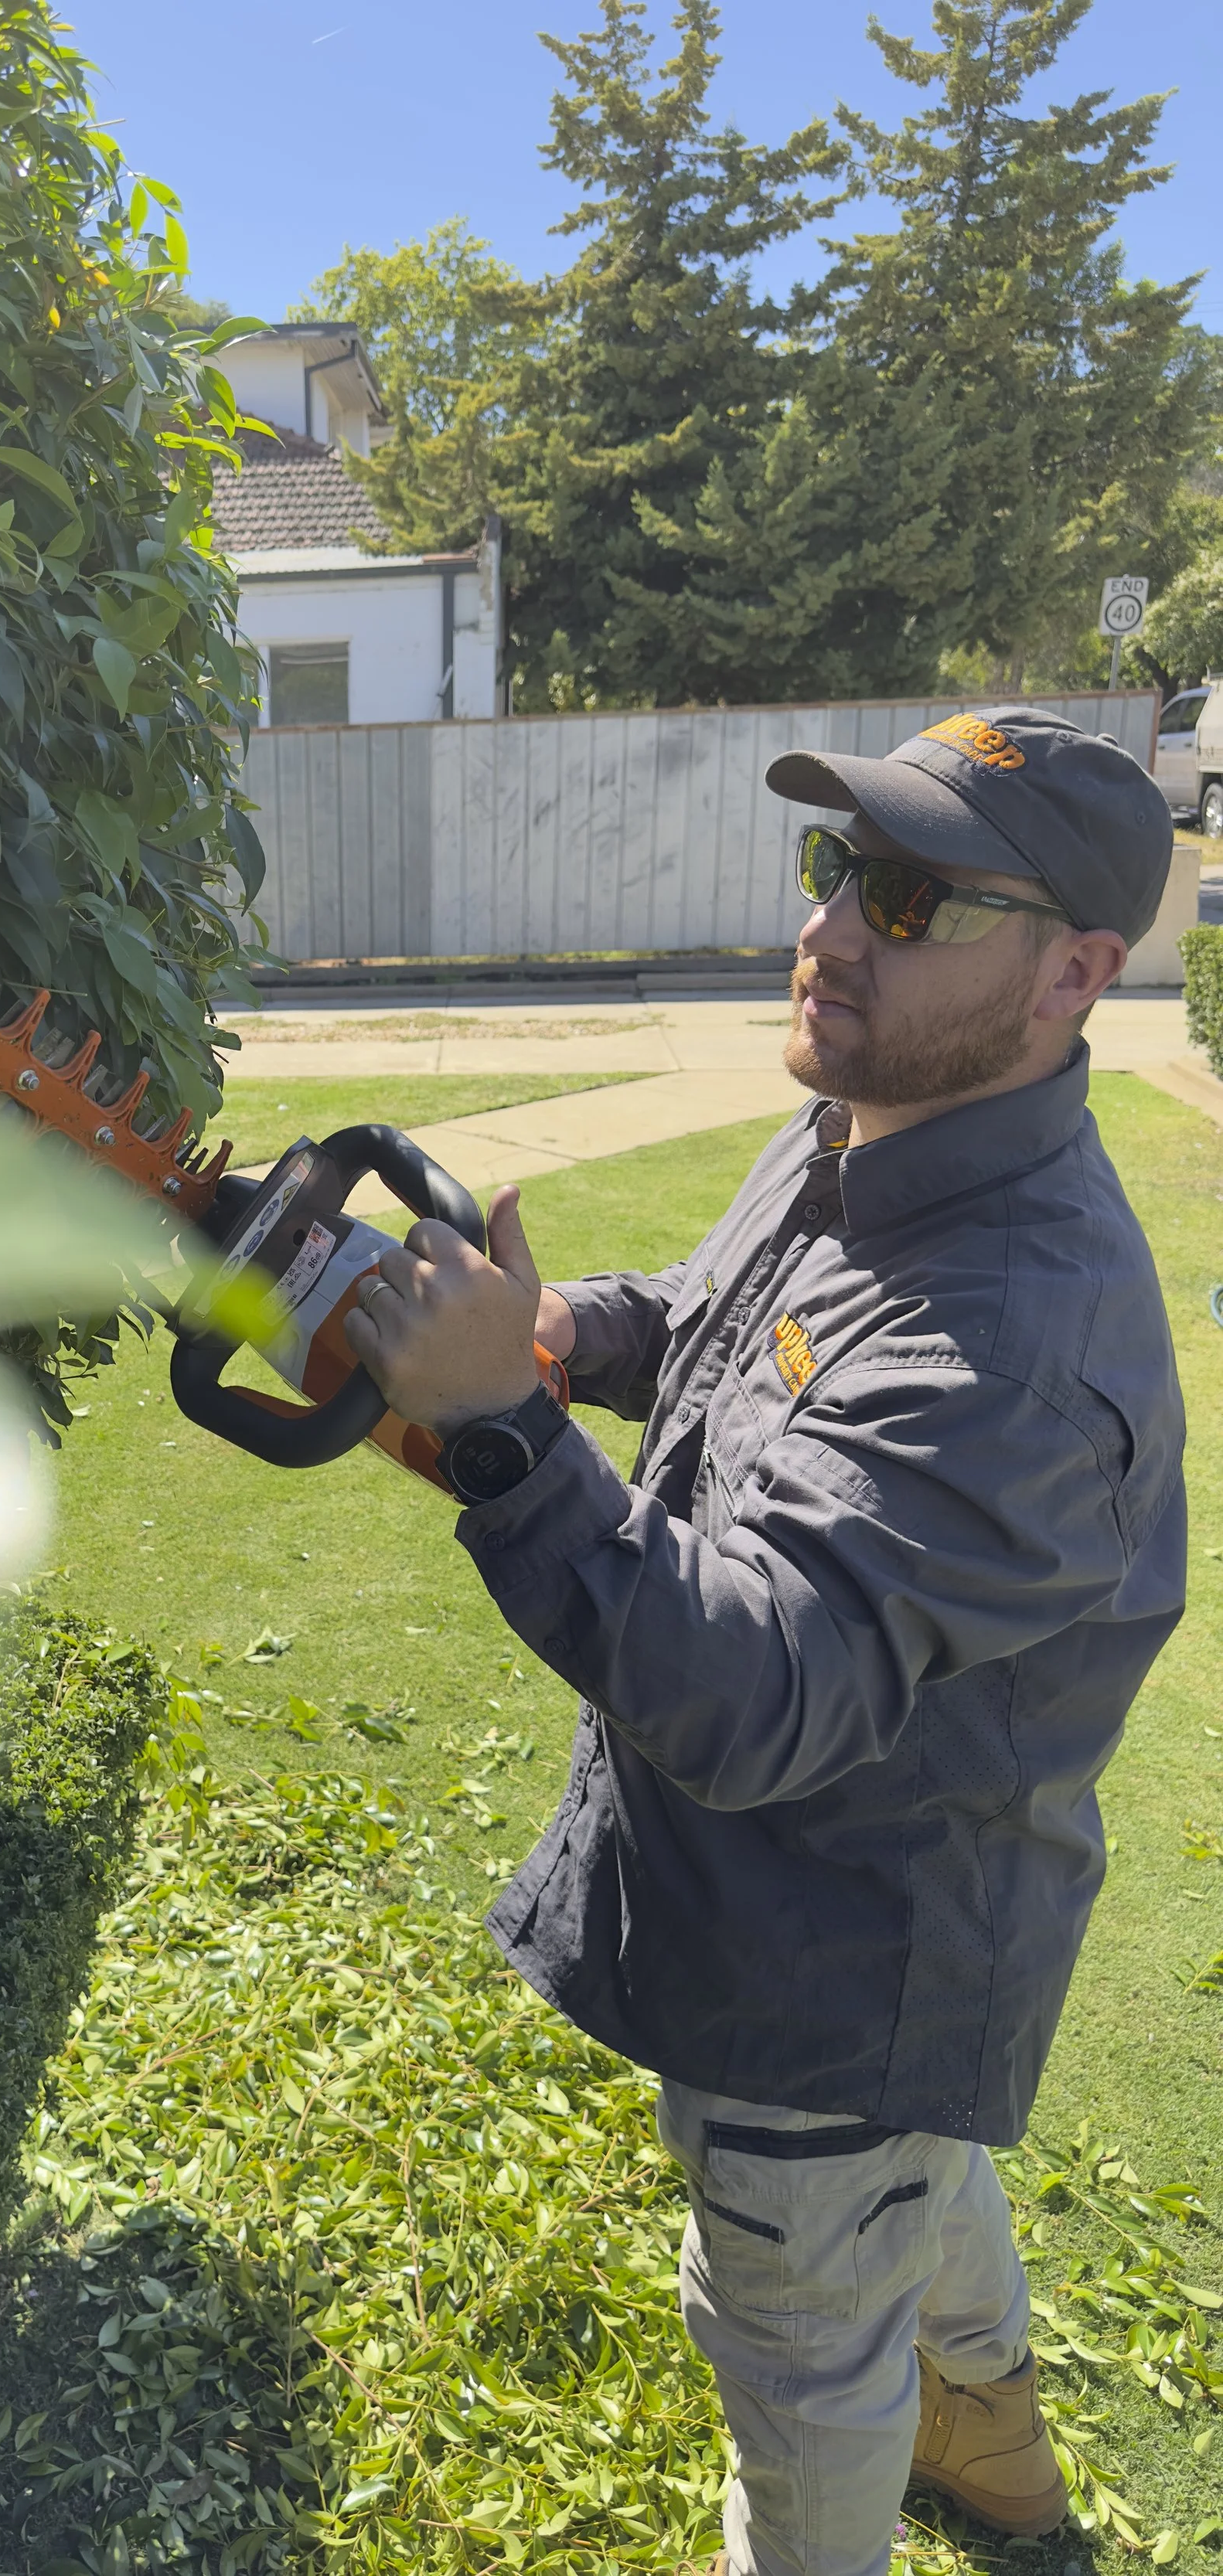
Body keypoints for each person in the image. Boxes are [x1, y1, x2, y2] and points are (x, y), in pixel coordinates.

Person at [342, 707, 1186, 2576]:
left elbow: (750, 1693)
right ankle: (1001, 2467)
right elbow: (720, 1320)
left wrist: (501, 1434)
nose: (828, 932)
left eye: (905, 895)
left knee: (800, 2349)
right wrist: (569, 1333)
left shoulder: (1009, 1343)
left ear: (1070, 973)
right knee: (913, 2175)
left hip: (839, 1953)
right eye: (833, 869)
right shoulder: (869, 1123)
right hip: (852, 1934)